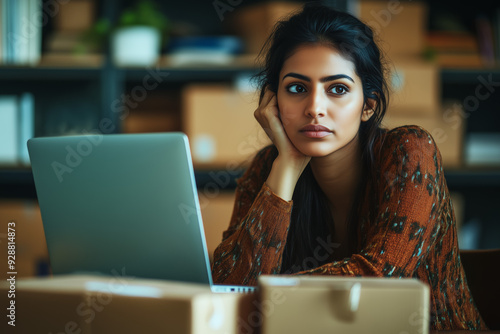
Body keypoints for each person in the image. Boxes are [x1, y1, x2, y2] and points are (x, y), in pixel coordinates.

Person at [211, 3, 487, 330]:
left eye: (337, 89)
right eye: (297, 88)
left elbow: (381, 277)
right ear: (272, 101)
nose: (315, 108)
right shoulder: (266, 170)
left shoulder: (409, 151)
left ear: (367, 106)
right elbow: (229, 289)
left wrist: (272, 294)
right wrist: (286, 166)